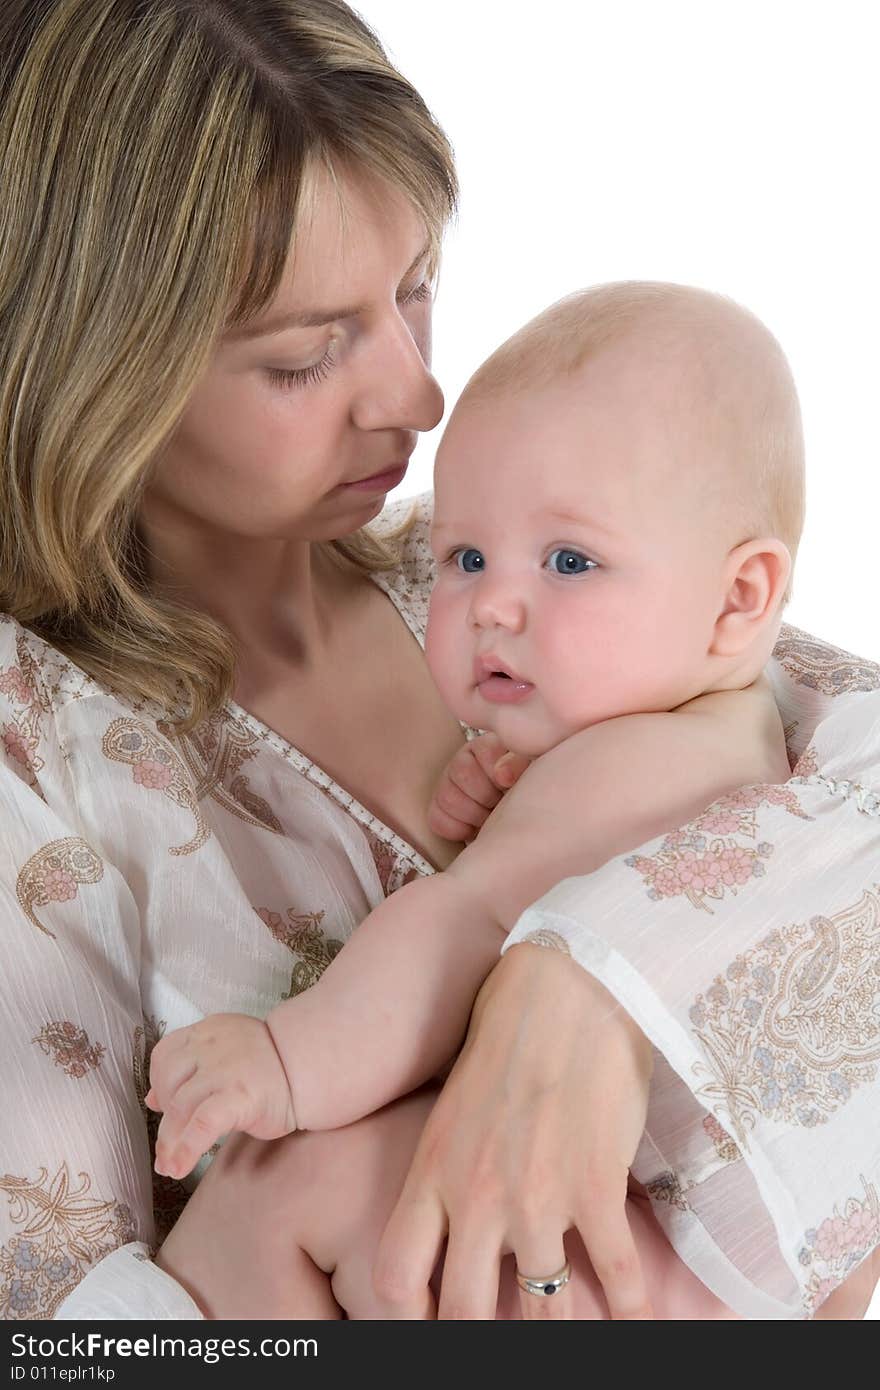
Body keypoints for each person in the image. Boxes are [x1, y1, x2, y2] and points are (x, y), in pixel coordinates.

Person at [0, 0, 876, 1323]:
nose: (417, 395)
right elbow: (67, 1324)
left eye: (416, 287)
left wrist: (588, 976)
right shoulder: (42, 750)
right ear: (98, 372)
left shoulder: (477, 571)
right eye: (308, 353)